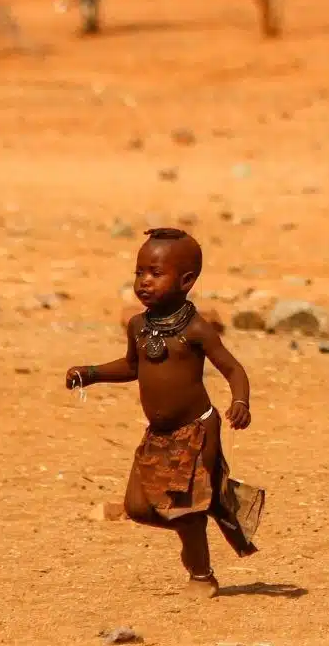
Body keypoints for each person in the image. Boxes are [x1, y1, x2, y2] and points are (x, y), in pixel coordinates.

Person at [64, 228, 263, 597]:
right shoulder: (138, 326)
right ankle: (203, 513)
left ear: (186, 281)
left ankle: (201, 574)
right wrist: (91, 373)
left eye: (155, 273)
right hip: (158, 435)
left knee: (184, 509)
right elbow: (132, 366)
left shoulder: (196, 329)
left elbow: (233, 369)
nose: (144, 281)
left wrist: (241, 402)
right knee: (138, 507)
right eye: (139, 272)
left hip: (196, 431)